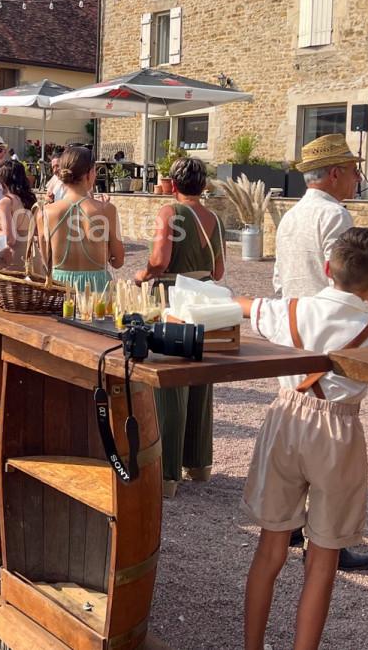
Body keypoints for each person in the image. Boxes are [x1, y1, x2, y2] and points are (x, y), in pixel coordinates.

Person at [241, 227, 368, 650]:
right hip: (339, 430)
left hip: (285, 419)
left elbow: (242, 306)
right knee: (323, 558)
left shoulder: (291, 310)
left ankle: (252, 646)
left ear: (327, 268)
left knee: (270, 548)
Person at [271, 133, 368, 571]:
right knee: (329, 446)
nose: (358, 178)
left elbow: (280, 284)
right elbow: (351, 281)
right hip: (331, 334)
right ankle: (329, 541)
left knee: (295, 433)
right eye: (354, 170)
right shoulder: (336, 217)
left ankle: (288, 526)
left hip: (295, 332)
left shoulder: (290, 217)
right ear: (336, 173)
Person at [135, 157, 226, 498]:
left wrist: (140, 275)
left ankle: (168, 473)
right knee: (200, 379)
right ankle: (199, 463)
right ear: (202, 186)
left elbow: (159, 260)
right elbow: (218, 271)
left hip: (173, 297)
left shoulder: (169, 213)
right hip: (205, 297)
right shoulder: (213, 217)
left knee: (170, 381)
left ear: (173, 185)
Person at [38, 145, 124, 292]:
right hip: (97, 289)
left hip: (60, 289)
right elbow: (118, 262)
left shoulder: (44, 212)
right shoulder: (106, 210)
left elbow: (46, 261)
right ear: (90, 174)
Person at [0, 160, 35, 266]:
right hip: (32, 257)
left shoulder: (6, 202)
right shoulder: (28, 199)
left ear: (3, 181)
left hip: (14, 260)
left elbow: (9, 239)